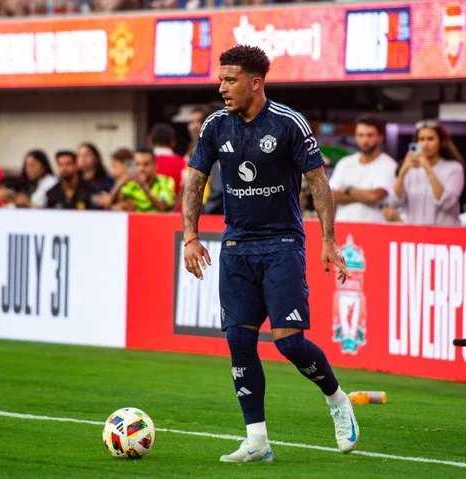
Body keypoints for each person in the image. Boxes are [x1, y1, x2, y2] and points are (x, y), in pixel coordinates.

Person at [181, 45, 358, 464]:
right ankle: (257, 440)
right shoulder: (215, 125)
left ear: (255, 82)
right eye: (220, 79)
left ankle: (337, 400)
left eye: (229, 80)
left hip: (282, 244)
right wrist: (191, 236)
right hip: (236, 245)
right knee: (239, 340)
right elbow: (194, 182)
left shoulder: (288, 123)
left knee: (290, 343)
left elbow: (318, 183)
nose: (221, 87)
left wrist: (327, 239)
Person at [391, 120, 465, 226]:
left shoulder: (454, 168)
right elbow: (395, 202)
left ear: (440, 141)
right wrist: (402, 172)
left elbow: (446, 203)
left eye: (430, 139)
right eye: (421, 139)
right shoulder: (411, 169)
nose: (425, 144)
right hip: (414, 235)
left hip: (443, 236)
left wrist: (427, 168)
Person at [329, 114, 397, 223]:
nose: (364, 140)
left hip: (373, 231)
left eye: (370, 135)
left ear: (380, 137)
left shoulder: (389, 165)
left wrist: (348, 190)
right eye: (360, 135)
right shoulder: (345, 163)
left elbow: (375, 196)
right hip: (343, 228)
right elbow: (329, 196)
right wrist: (364, 196)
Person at [111, 147, 175, 212]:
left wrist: (143, 186)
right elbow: (111, 203)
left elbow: (162, 208)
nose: (141, 169)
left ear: (155, 166)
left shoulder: (166, 181)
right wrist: (120, 183)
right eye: (137, 164)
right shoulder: (130, 184)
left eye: (146, 164)